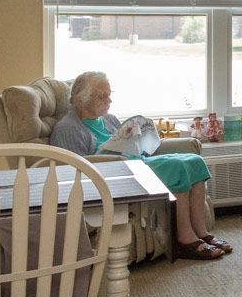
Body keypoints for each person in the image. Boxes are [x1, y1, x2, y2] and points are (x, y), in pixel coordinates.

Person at [52, 71, 231, 261]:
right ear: (82, 99)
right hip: (117, 175)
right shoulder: (68, 128)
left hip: (137, 163)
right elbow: (73, 169)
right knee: (177, 167)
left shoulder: (109, 119)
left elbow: (128, 145)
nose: (109, 100)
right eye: (102, 96)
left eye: (109, 94)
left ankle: (201, 232)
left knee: (195, 162)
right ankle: (185, 239)